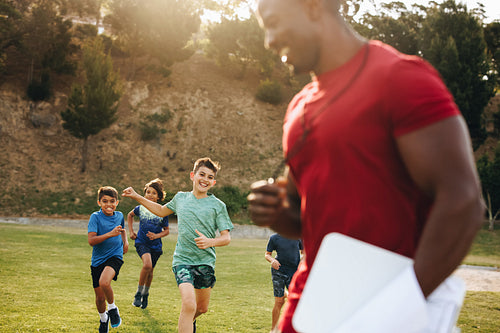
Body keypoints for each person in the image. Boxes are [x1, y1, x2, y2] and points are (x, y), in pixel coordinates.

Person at [248, 0, 485, 332]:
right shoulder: (298, 108)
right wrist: (275, 212)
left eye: (273, 23)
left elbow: (462, 202)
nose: (269, 41)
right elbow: (306, 219)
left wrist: (396, 308)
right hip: (312, 304)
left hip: (388, 310)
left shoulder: (400, 78)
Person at [122, 157, 233, 333]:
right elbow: (160, 210)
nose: (205, 179)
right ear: (192, 175)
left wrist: (210, 241)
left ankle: (187, 322)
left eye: (209, 177)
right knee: (189, 304)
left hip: (205, 262)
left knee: (201, 308)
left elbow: (226, 238)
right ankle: (186, 321)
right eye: (201, 174)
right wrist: (136, 196)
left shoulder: (218, 206)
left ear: (213, 182)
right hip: (183, 261)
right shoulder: (181, 198)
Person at [88, 186, 129, 333]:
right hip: (98, 260)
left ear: (117, 202)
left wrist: (125, 242)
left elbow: (122, 229)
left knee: (104, 282)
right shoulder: (95, 217)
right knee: (99, 298)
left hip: (115, 256)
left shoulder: (119, 215)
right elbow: (91, 241)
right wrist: (110, 234)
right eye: (105, 201)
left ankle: (113, 309)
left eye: (112, 201)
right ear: (99, 202)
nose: (109, 204)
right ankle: (103, 319)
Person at [127, 178, 170, 309]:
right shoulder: (140, 208)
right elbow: (130, 215)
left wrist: (157, 235)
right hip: (142, 242)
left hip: (156, 246)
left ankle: (145, 294)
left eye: (154, 193)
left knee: (150, 271)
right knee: (147, 264)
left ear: (158, 197)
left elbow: (167, 231)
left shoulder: (163, 212)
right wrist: (131, 232)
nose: (150, 195)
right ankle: (138, 293)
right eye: (148, 192)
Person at [265, 233, 303, 331]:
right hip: (279, 271)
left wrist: (302, 261)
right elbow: (267, 254)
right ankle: (273, 330)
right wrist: (272, 260)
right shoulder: (274, 238)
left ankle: (294, 328)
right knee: (279, 301)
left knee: (295, 300)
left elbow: (304, 252)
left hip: (294, 272)